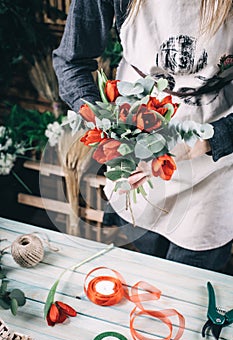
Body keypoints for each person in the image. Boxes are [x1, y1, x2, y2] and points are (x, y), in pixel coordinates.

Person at [53, 0, 233, 272]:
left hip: (215, 161)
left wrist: (202, 141)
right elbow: (71, 62)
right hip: (135, 152)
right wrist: (106, 125)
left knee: (187, 288)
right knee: (139, 272)